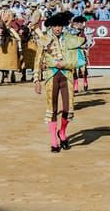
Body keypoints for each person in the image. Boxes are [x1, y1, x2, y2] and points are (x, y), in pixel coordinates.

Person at [33, 11, 79, 153]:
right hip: (51, 76)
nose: (58, 28)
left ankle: (62, 133)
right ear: (51, 27)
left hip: (67, 76)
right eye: (55, 26)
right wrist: (36, 79)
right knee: (52, 109)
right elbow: (38, 59)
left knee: (67, 109)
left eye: (60, 25)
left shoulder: (70, 39)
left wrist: (64, 64)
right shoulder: (44, 39)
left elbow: (77, 59)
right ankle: (54, 141)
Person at [69, 15, 94, 93]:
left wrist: (86, 48)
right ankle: (75, 86)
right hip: (73, 51)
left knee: (83, 70)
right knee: (73, 70)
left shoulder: (86, 31)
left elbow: (90, 42)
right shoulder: (71, 31)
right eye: (77, 22)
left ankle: (85, 81)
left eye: (80, 22)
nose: (79, 24)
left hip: (82, 51)